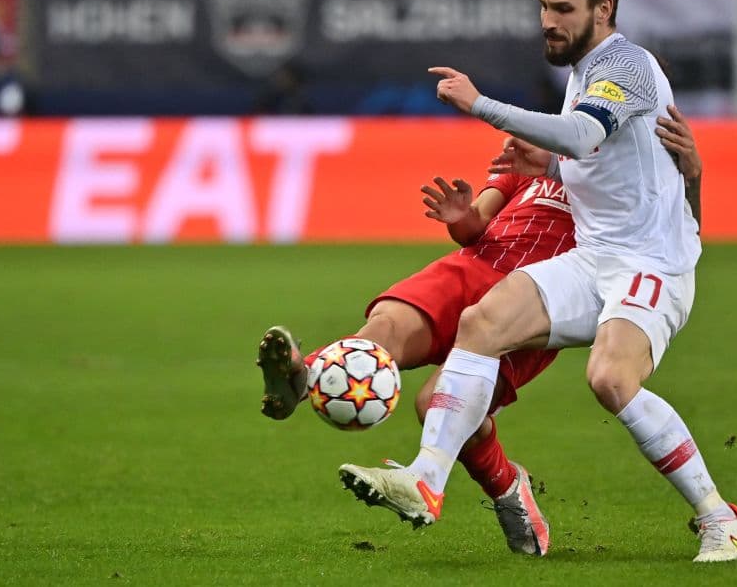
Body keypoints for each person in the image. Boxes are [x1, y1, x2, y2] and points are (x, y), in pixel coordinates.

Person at [337, 0, 737, 563]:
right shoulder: (585, 72)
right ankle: (425, 479)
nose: (547, 20)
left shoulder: (628, 65)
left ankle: (721, 518)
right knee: (482, 322)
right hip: (595, 256)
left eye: (563, 8)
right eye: (544, 5)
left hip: (651, 264)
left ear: (603, 9)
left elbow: (585, 135)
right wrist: (552, 166)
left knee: (610, 378)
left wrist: (481, 106)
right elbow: (607, 164)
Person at [258, 109, 702, 558]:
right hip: (478, 266)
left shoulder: (636, 176)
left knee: (435, 404)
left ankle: (508, 488)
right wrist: (460, 217)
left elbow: (681, 238)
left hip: (536, 304)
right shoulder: (538, 154)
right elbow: (477, 226)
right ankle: (305, 376)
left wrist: (692, 176)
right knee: (387, 325)